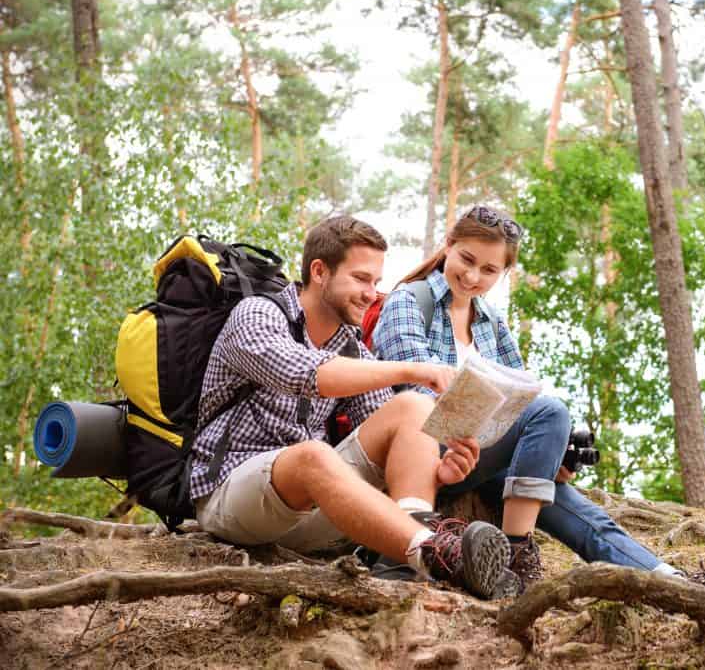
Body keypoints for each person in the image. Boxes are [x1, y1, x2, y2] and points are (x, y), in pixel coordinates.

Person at [372, 205, 705, 601]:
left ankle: (681, 585)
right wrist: (528, 433)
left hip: (484, 458)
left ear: (505, 272)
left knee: (582, 512)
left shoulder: (492, 323)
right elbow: (416, 399)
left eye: (490, 270)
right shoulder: (410, 302)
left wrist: (551, 454)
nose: (473, 275)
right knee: (551, 411)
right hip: (427, 462)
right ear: (448, 244)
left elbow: (519, 395)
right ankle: (516, 553)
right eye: (466, 259)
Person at [189, 215, 512, 600]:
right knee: (312, 455)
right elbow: (305, 374)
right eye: (361, 279)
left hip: (309, 510)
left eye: (376, 283)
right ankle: (439, 556)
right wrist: (414, 368)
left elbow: (392, 436)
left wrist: (438, 472)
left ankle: (403, 567)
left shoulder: (351, 347)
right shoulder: (257, 315)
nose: (371, 294)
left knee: (412, 407)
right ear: (320, 271)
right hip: (231, 499)